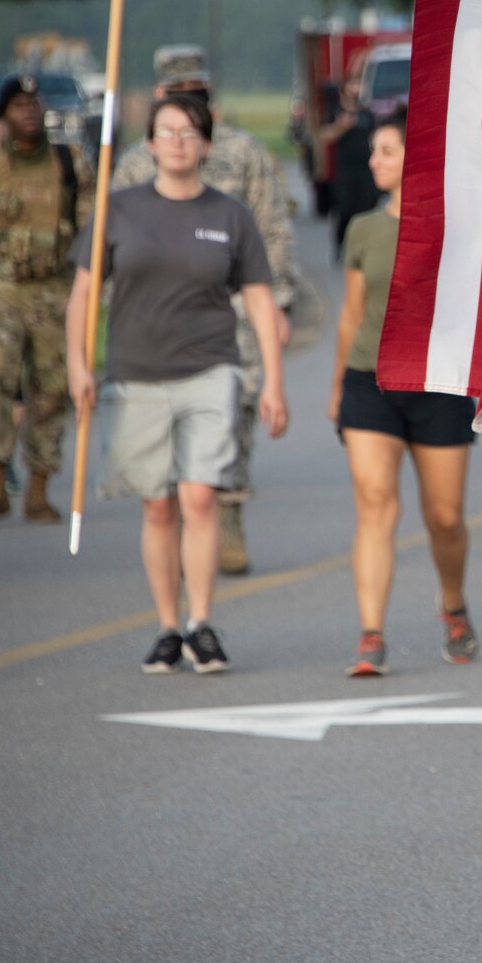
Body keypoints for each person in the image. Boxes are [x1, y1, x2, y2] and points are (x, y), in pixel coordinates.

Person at [65, 94, 288, 674]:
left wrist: (272, 383)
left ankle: (201, 622)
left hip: (211, 368)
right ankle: (167, 625)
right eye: (166, 132)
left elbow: (260, 300)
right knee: (159, 506)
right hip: (138, 374)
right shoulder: (118, 210)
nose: (178, 142)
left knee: (199, 495)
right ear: (151, 144)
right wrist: (77, 362)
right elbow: (85, 294)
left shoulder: (230, 215)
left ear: (206, 144)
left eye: (189, 132)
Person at [113, 45, 298, 576]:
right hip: (159, 315)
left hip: (236, 307)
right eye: (179, 96)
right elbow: (111, 245)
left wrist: (278, 301)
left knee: (235, 413)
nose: (189, 104)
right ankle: (174, 522)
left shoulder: (243, 153)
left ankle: (230, 515)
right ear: (158, 99)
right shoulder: (134, 163)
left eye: (198, 93)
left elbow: (273, 229)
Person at [329, 108, 479, 674]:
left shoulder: (457, 224)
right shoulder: (362, 228)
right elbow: (351, 314)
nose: (374, 161)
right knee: (374, 504)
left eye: (386, 151)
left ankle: (453, 603)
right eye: (373, 152)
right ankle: (371, 634)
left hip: (438, 382)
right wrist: (336, 388)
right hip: (370, 381)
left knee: (444, 518)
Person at [0, 75, 93, 526]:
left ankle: (38, 490)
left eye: (34, 104)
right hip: (3, 289)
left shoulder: (70, 164)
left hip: (56, 289)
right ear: (3, 116)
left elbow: (92, 230)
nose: (29, 112)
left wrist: (95, 286)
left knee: (51, 392)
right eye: (18, 106)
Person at [319, 63, 380, 261]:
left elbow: (375, 136)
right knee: (345, 210)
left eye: (359, 84)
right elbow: (325, 136)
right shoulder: (336, 111)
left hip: (365, 170)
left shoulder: (367, 112)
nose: (356, 88)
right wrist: (341, 126)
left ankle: (364, 248)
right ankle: (338, 247)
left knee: (365, 209)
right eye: (352, 84)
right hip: (345, 171)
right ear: (344, 87)